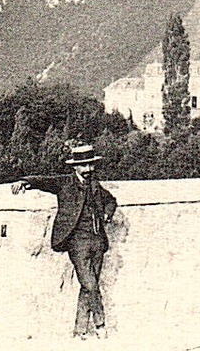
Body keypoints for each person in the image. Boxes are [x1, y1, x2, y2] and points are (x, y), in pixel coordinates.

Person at [13, 144, 120, 339]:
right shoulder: (65, 183)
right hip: (77, 242)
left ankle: (79, 330)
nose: (88, 170)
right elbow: (43, 181)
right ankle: (100, 325)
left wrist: (107, 213)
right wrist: (24, 181)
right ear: (75, 167)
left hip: (97, 241)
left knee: (88, 285)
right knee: (91, 284)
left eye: (91, 165)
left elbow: (111, 200)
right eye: (84, 166)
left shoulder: (95, 185)